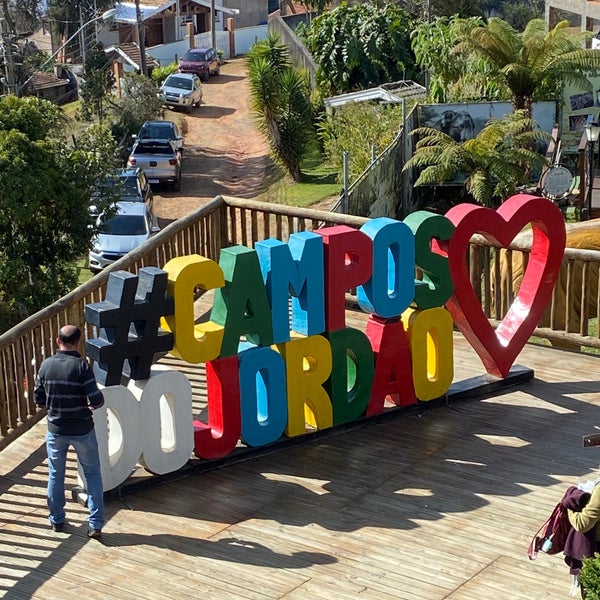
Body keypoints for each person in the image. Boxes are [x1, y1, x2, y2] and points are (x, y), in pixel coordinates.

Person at [34, 324, 105, 540]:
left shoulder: (46, 366)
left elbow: (39, 399)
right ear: (78, 342)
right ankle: (95, 524)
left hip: (56, 430)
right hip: (83, 428)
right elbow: (96, 399)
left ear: (58, 341)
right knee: (92, 474)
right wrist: (93, 404)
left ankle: (56, 519)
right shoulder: (82, 366)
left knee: (56, 474)